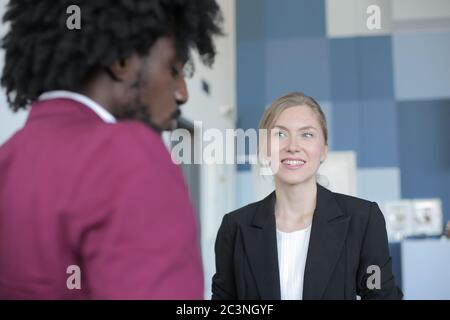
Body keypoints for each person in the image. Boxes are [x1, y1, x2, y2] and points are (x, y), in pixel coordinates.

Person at [0, 0, 222, 299]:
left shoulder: (9, 156)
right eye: (173, 69)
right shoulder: (130, 154)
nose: (182, 93)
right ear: (121, 61)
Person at [212, 92, 403, 300]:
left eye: (307, 134)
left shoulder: (363, 220)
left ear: (323, 151)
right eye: (280, 134)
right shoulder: (235, 227)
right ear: (265, 149)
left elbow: (381, 295)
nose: (293, 146)